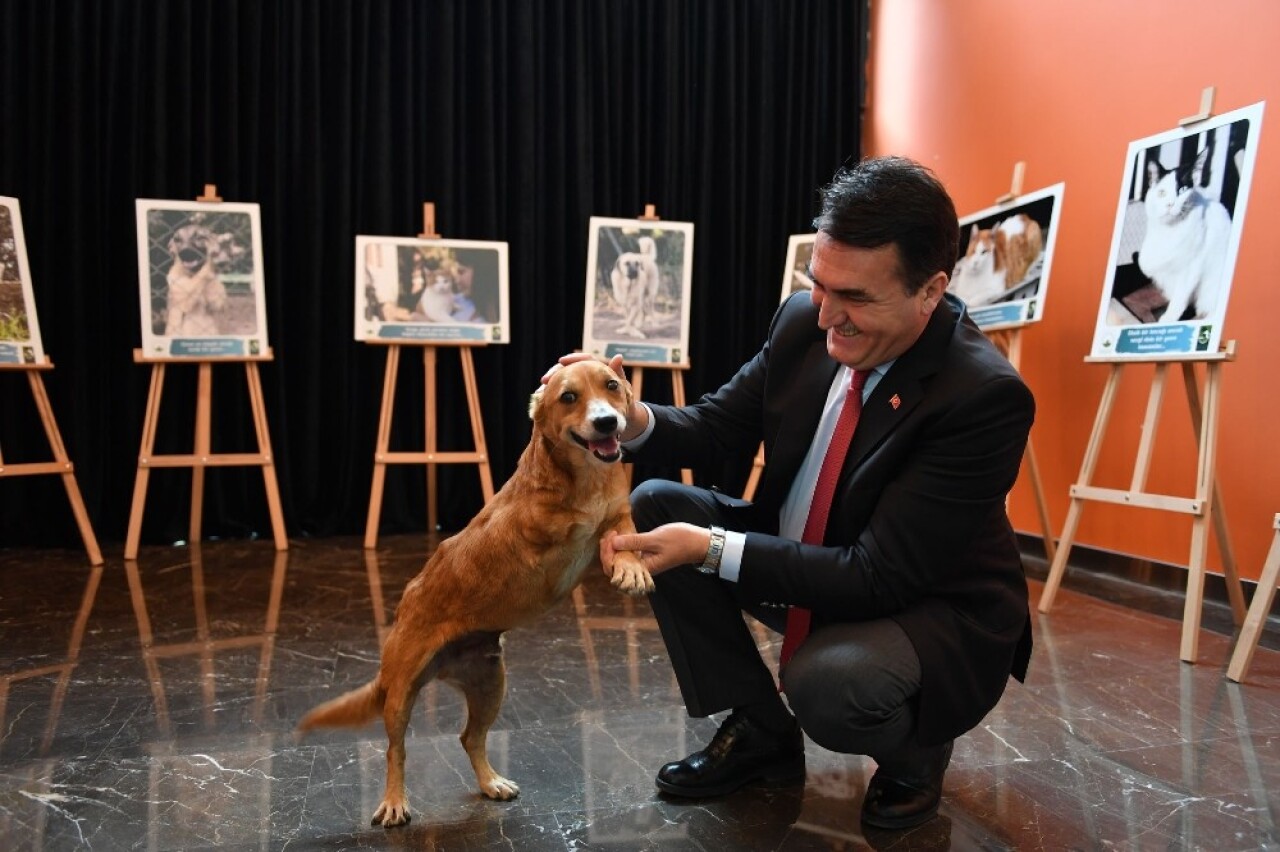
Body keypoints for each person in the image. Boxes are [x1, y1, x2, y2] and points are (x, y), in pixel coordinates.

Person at [546, 155, 1035, 830]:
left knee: (829, 686)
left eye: (857, 298)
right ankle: (760, 730)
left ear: (931, 290)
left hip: (923, 610)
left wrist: (712, 548)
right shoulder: (805, 323)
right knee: (660, 501)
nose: (829, 315)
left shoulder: (982, 396)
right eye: (820, 285)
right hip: (812, 560)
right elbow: (716, 426)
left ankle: (914, 754)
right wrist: (630, 417)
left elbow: (877, 577)